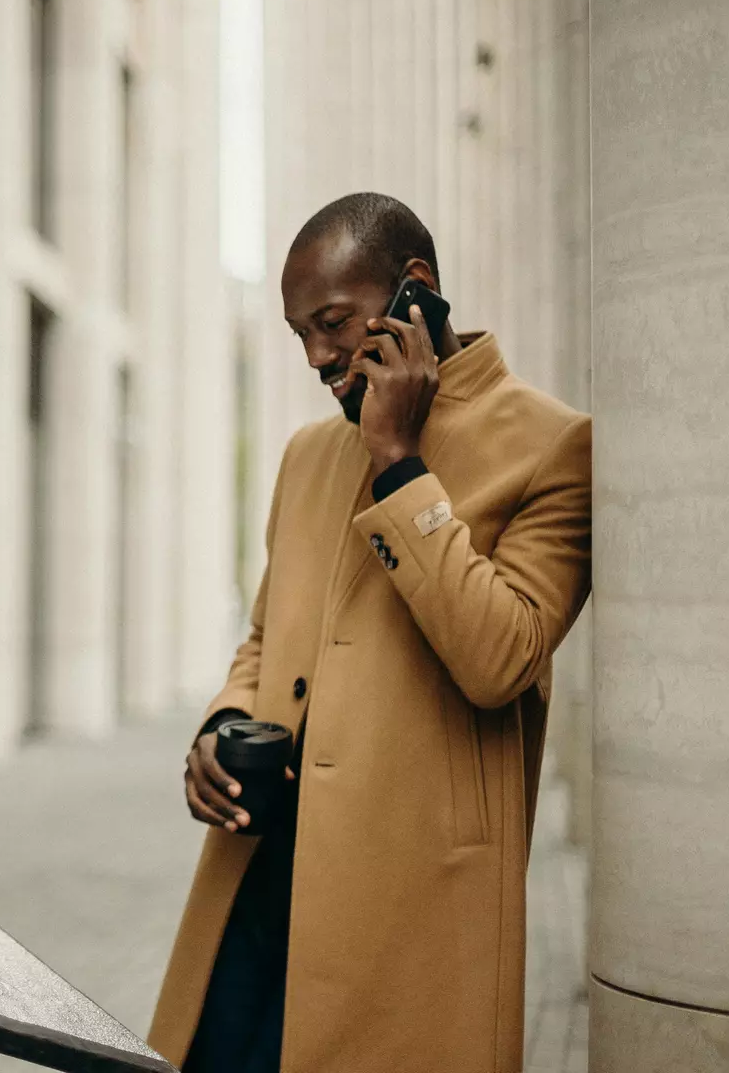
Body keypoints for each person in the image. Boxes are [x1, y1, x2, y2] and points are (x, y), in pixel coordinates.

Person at [147, 193, 592, 1073]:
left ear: (412, 292)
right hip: (259, 876)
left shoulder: (551, 448)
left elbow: (501, 659)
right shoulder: (308, 455)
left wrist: (399, 465)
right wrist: (218, 727)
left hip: (409, 903)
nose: (316, 356)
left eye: (334, 324)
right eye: (299, 333)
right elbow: (267, 638)